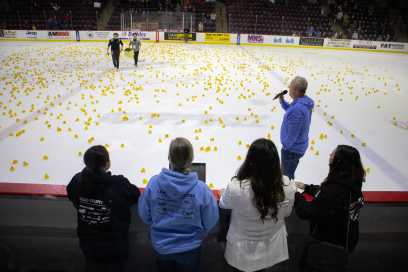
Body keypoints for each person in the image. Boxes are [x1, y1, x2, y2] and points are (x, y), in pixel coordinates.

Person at [138, 137, 219, 272]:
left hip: (162, 246)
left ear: (169, 157)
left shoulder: (154, 183)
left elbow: (145, 215)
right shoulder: (201, 189)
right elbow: (210, 220)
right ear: (191, 159)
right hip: (190, 247)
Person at [219, 138, 296, 272]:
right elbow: (287, 213)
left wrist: (224, 193)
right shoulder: (288, 186)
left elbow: (223, 204)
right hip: (271, 250)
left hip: (241, 252)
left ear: (249, 161)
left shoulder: (236, 188)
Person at [66, 145, 140, 272]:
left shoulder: (77, 182)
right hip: (115, 245)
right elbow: (135, 195)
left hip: (88, 243)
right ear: (107, 163)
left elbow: (71, 195)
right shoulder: (118, 184)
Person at [294, 145, 365, 271]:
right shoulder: (352, 182)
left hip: (328, 245)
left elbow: (307, 212)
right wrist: (307, 187)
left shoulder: (336, 189)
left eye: (333, 154)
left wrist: (295, 196)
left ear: (340, 161)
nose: (330, 155)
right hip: (344, 241)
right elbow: (328, 196)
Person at [279, 76, 314, 180]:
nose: (288, 88)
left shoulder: (298, 109)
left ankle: (287, 195)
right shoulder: (303, 102)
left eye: (291, 86)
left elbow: (293, 133)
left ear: (296, 90)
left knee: (286, 177)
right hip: (298, 146)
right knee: (286, 174)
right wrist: (282, 101)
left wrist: (285, 146)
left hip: (291, 150)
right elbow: (291, 109)